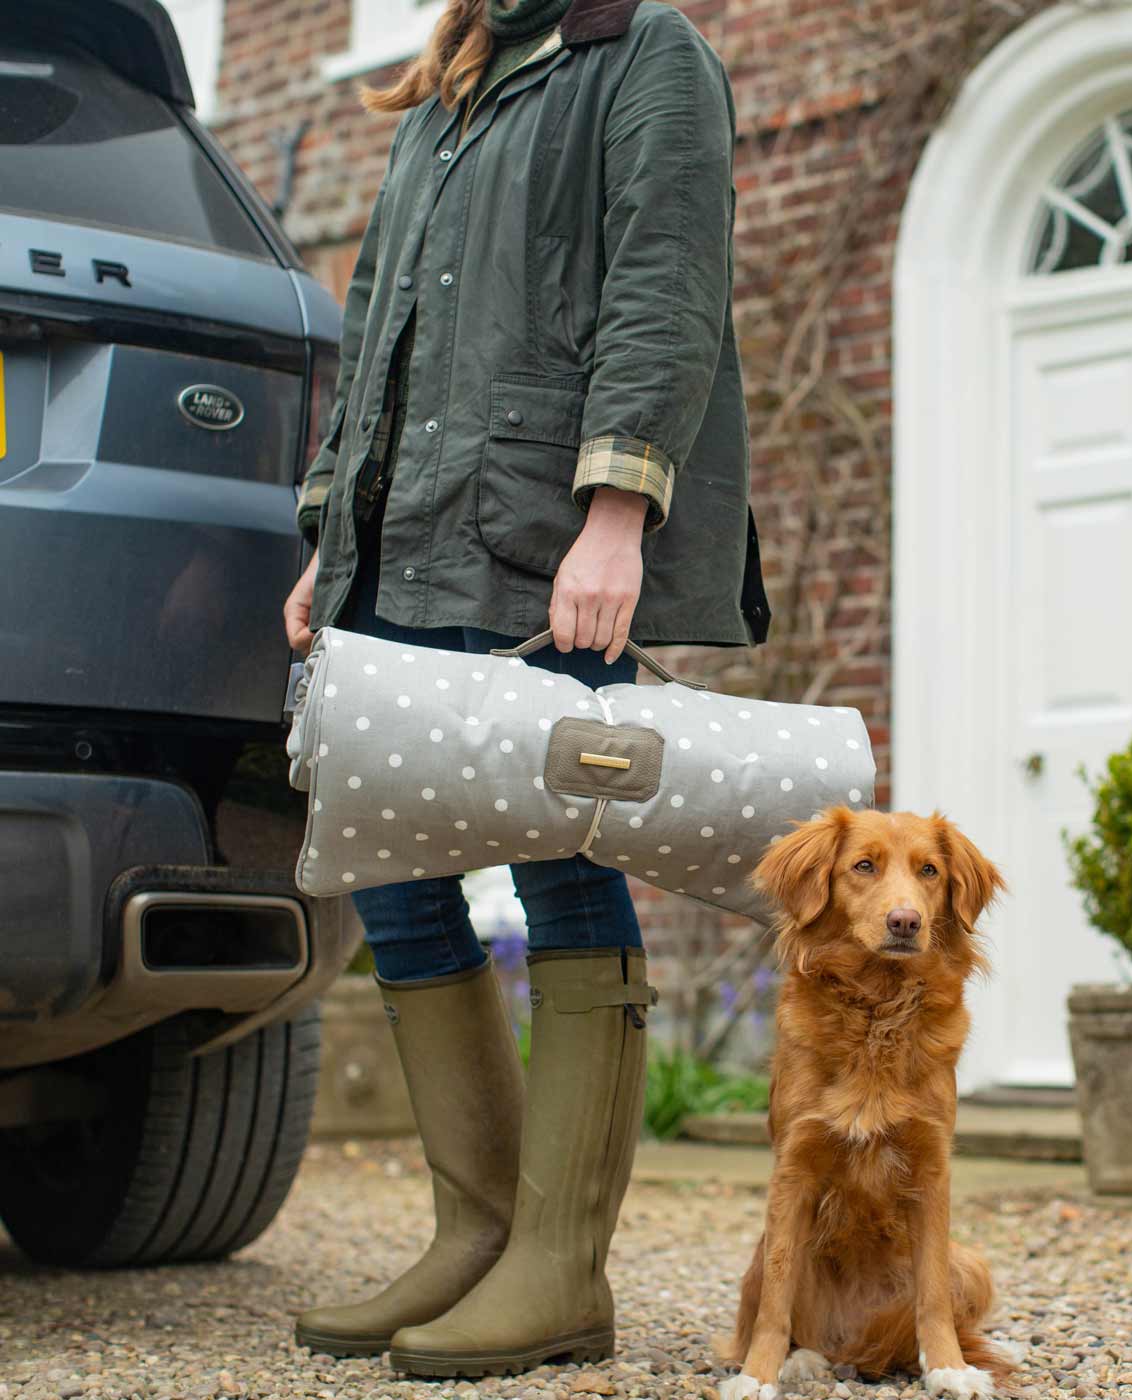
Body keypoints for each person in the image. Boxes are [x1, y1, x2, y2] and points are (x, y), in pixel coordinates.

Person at [281, 0, 770, 1379]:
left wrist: (616, 513)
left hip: (542, 531)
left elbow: (665, 284)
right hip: (400, 531)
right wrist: (331, 535)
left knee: (565, 852)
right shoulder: (451, 83)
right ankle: (474, 1237)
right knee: (392, 867)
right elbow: (375, 316)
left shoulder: (643, 55)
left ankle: (560, 1268)